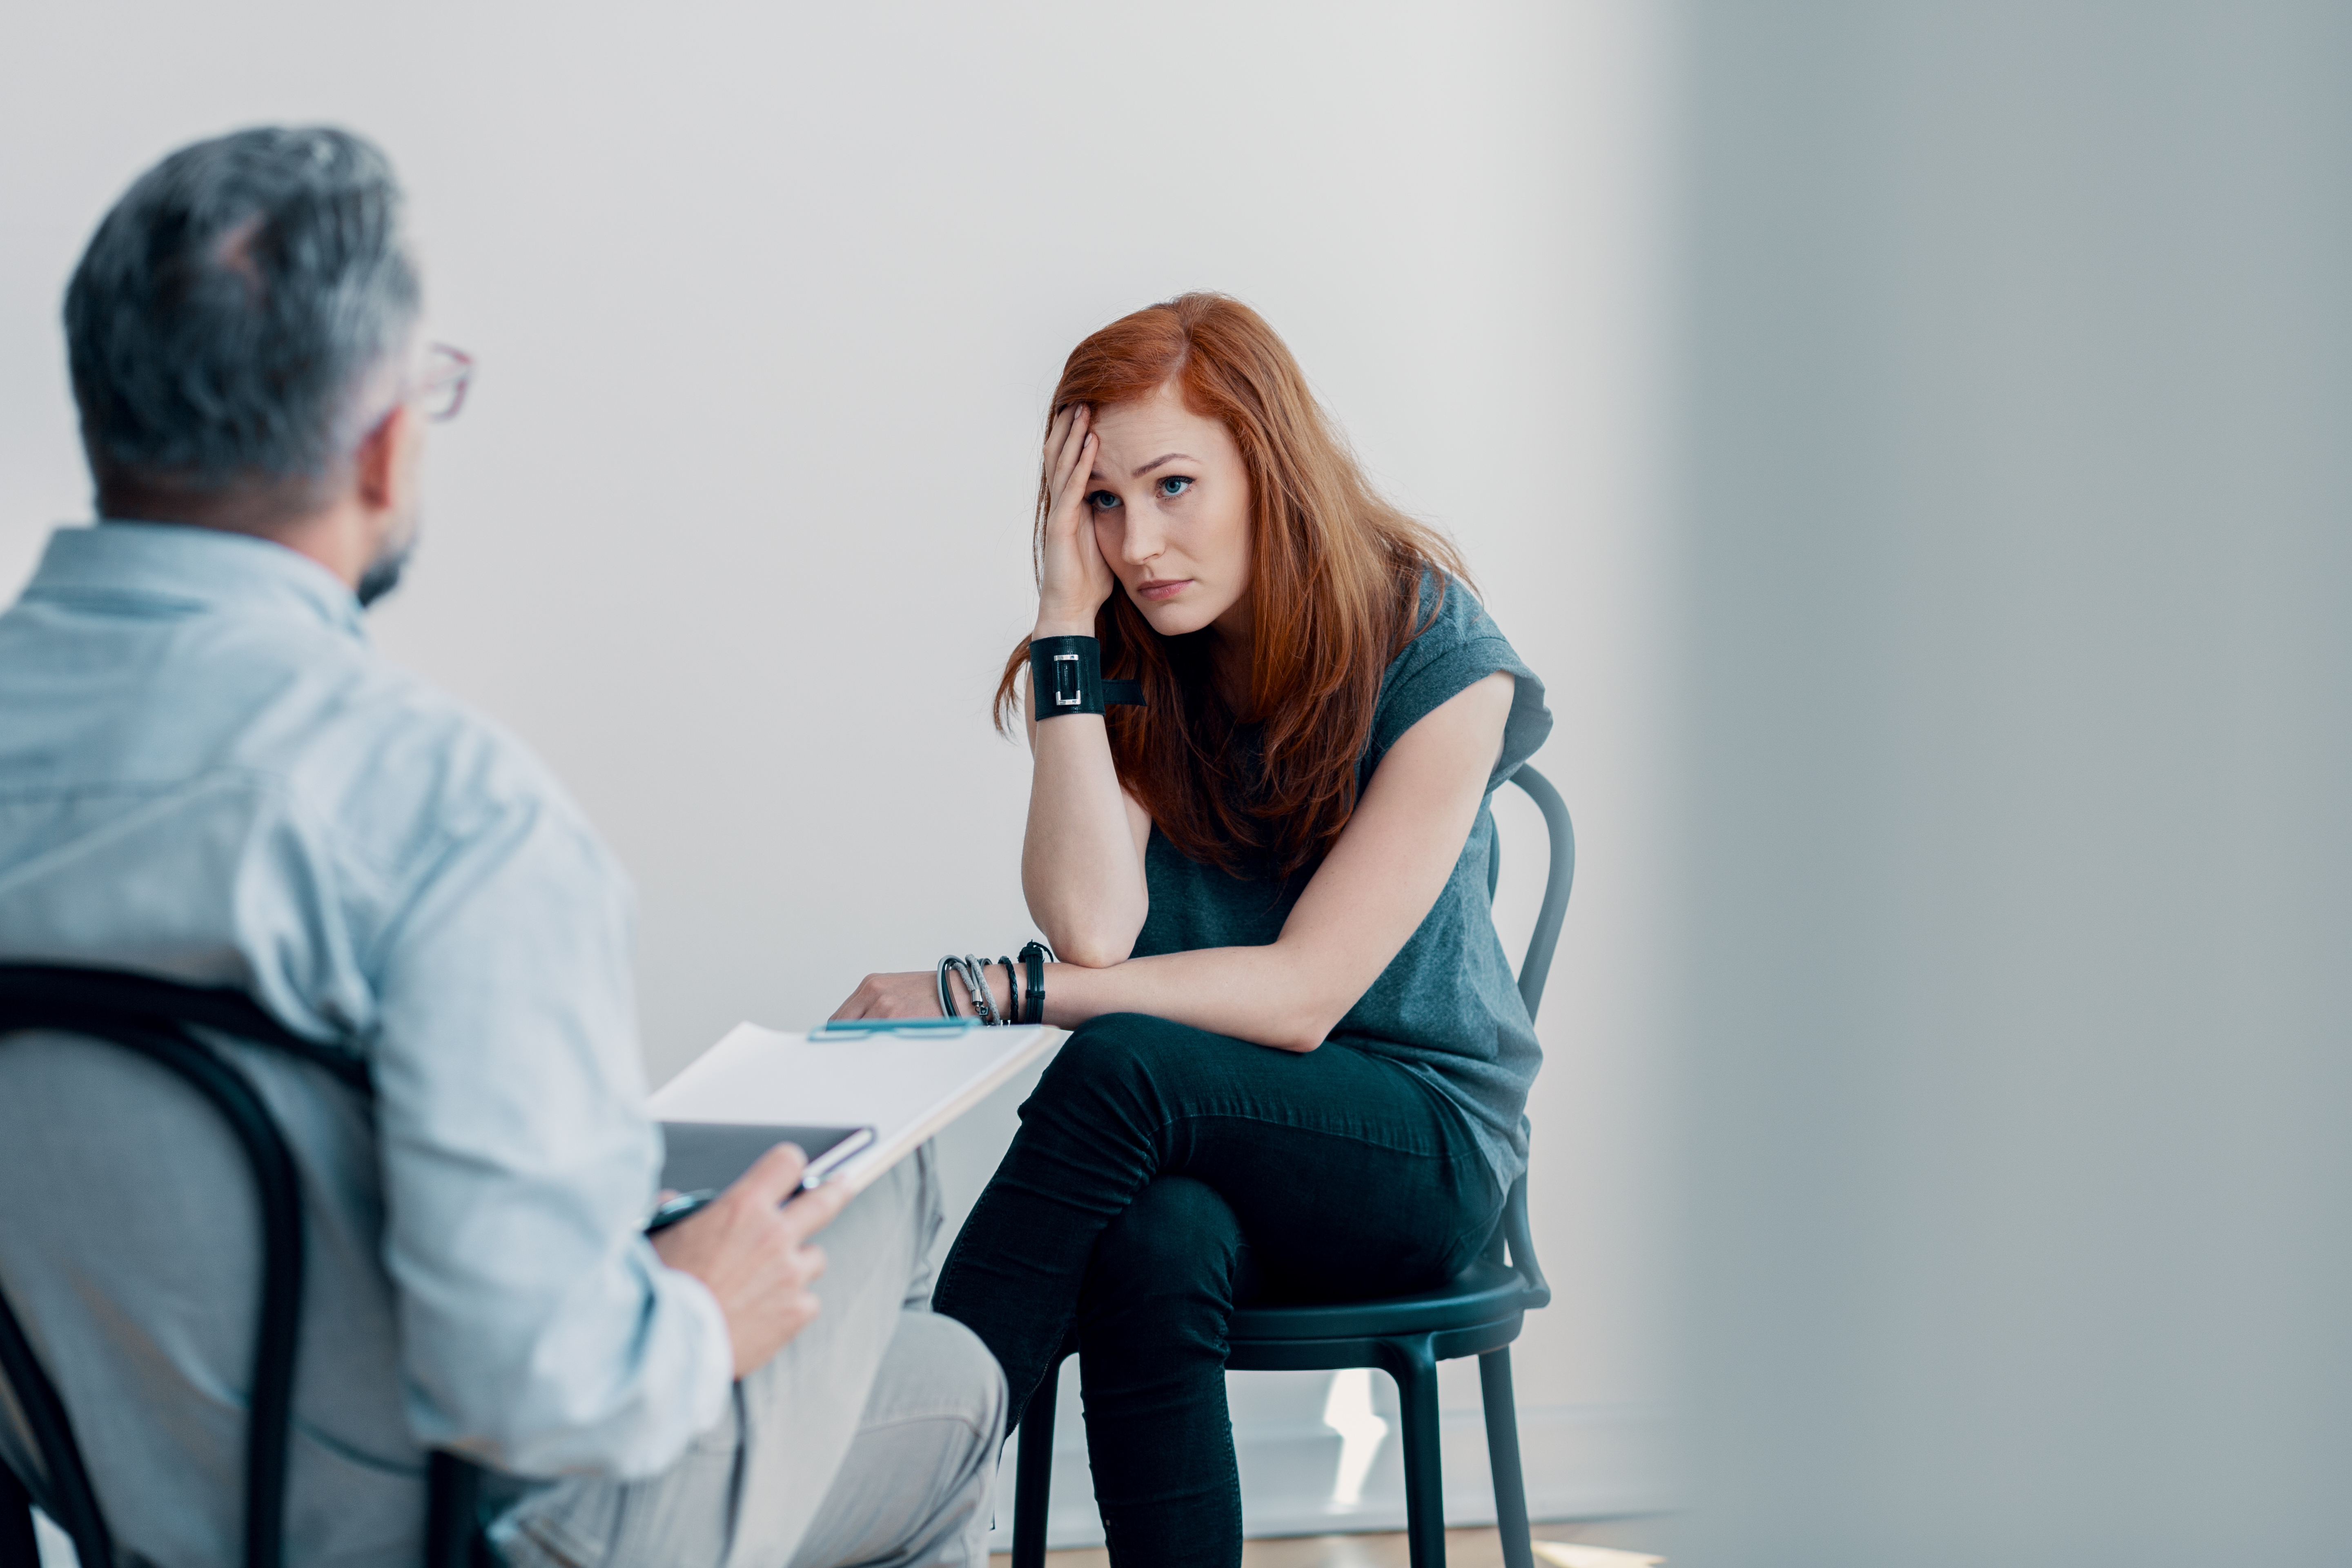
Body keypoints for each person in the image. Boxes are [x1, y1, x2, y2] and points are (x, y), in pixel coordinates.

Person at [0, 127, 1002, 1568]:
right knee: (871, 1184)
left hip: (146, 1515)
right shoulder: (440, 810)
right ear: (387, 441)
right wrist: (691, 1313)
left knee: (944, 1390)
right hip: (472, 1531)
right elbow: (539, 1390)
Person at [831, 294, 1554, 1568]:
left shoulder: (1436, 648)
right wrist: (1065, 619)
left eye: (1173, 485)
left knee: (1119, 1065)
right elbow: (1097, 930)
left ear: (1265, 466)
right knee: (1155, 1237)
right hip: (1217, 1149)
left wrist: (994, 989)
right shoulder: (1132, 649)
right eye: (1103, 503)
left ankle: (877, 1488)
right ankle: (889, 1487)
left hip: (1419, 1145)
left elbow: (1304, 995)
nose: (1140, 540)